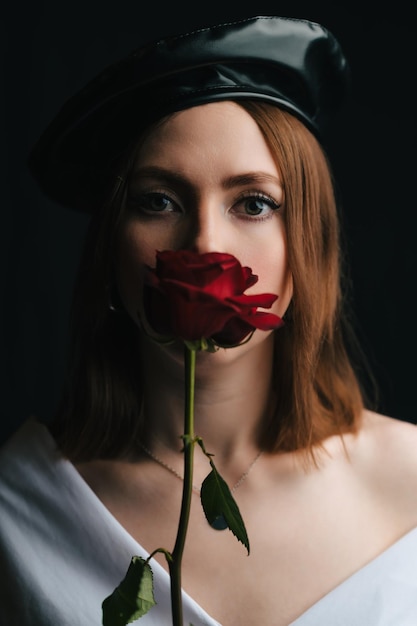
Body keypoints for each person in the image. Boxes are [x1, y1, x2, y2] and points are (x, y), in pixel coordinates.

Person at [1, 14, 417, 626]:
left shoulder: (409, 483)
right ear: (111, 248)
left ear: (306, 244)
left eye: (253, 203)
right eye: (159, 201)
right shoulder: (18, 508)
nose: (203, 243)